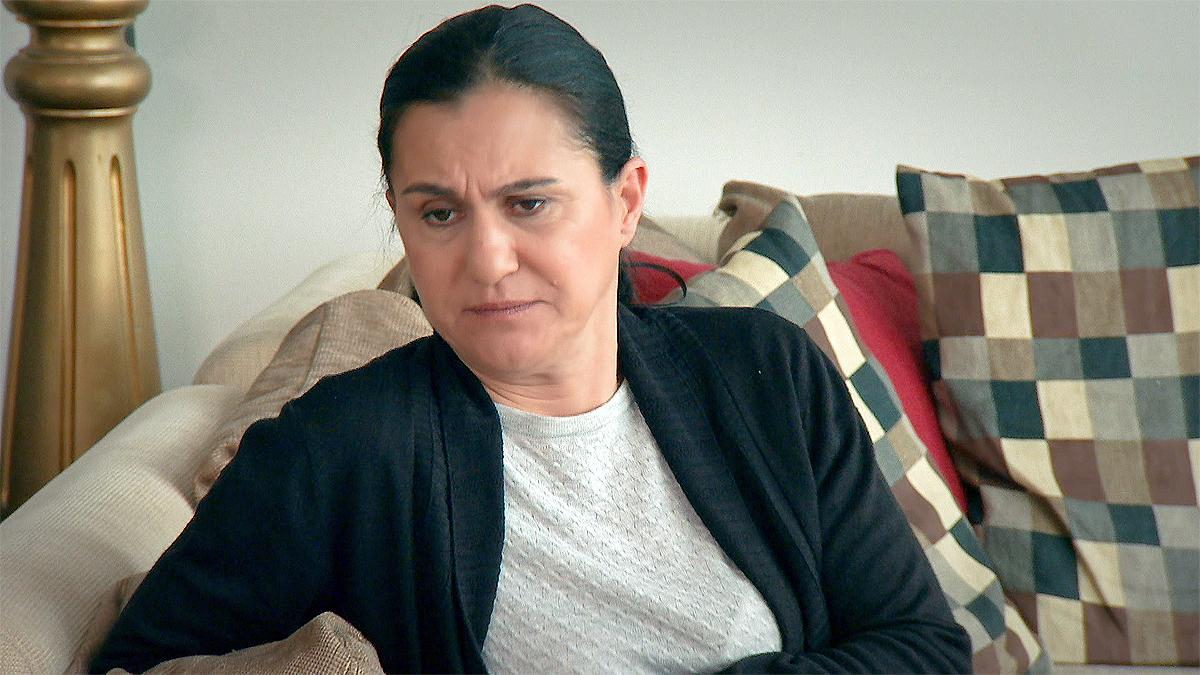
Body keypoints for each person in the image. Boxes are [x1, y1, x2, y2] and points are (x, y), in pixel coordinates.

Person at [92, 4, 971, 673]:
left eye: (529, 203)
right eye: (439, 213)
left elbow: (922, 644)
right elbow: (138, 658)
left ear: (625, 202)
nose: (487, 259)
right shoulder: (338, 448)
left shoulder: (767, 374)